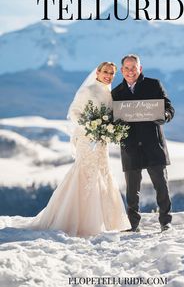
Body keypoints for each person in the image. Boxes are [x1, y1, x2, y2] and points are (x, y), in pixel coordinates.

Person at [30, 62, 131, 237]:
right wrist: (90, 128)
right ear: (98, 72)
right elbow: (75, 112)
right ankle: (77, 219)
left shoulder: (109, 92)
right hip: (87, 139)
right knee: (85, 171)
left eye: (112, 73)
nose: (108, 75)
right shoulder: (89, 90)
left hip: (101, 141)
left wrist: (108, 129)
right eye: (105, 72)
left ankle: (107, 221)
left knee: (103, 171)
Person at [112, 55, 175, 232]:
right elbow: (112, 118)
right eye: (127, 68)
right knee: (132, 191)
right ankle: (133, 224)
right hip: (130, 147)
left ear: (140, 68)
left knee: (161, 186)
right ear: (122, 70)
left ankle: (165, 222)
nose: (130, 71)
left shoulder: (153, 85)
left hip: (153, 144)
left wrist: (165, 116)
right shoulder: (116, 93)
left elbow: (169, 108)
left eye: (134, 68)